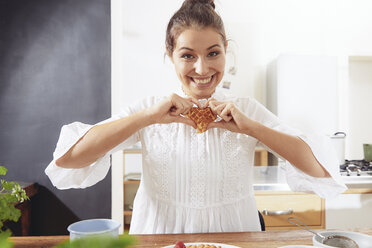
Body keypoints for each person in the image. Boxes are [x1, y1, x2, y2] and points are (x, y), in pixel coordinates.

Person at [45, 0, 346, 234]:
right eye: (188, 55)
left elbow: (320, 169)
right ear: (170, 54)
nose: (202, 69)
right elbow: (69, 160)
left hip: (234, 236)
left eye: (213, 53)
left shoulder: (246, 110)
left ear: (226, 51)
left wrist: (251, 128)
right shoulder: (150, 109)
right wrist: (147, 118)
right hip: (160, 237)